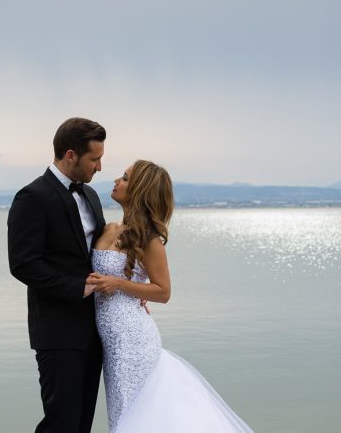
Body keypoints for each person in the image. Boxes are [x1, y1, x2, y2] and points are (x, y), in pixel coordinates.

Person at [87, 160, 254, 433]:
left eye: (126, 178)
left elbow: (163, 291)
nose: (117, 180)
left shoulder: (149, 241)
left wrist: (119, 284)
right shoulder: (105, 229)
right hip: (110, 338)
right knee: (121, 413)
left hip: (133, 341)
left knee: (132, 414)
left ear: (139, 191)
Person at [7, 117, 107, 433]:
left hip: (95, 328)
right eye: (95, 159)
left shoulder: (91, 196)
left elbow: (100, 255)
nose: (100, 167)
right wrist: (76, 287)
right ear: (70, 155)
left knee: (81, 425)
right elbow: (23, 264)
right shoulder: (31, 197)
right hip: (57, 330)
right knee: (60, 423)